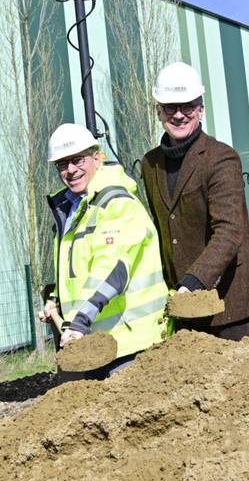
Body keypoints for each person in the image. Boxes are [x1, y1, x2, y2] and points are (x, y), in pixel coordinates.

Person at [141, 62, 249, 340]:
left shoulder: (220, 158)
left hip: (232, 301)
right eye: (170, 107)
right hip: (186, 303)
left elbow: (230, 231)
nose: (179, 115)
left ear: (200, 108)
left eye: (187, 106)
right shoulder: (150, 165)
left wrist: (195, 280)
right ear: (158, 111)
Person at [42, 123, 168, 374]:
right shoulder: (73, 208)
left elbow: (111, 269)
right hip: (95, 341)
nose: (71, 170)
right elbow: (77, 268)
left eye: (78, 160)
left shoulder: (117, 204)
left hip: (129, 344)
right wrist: (56, 298)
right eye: (62, 164)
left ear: (97, 157)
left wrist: (78, 322)